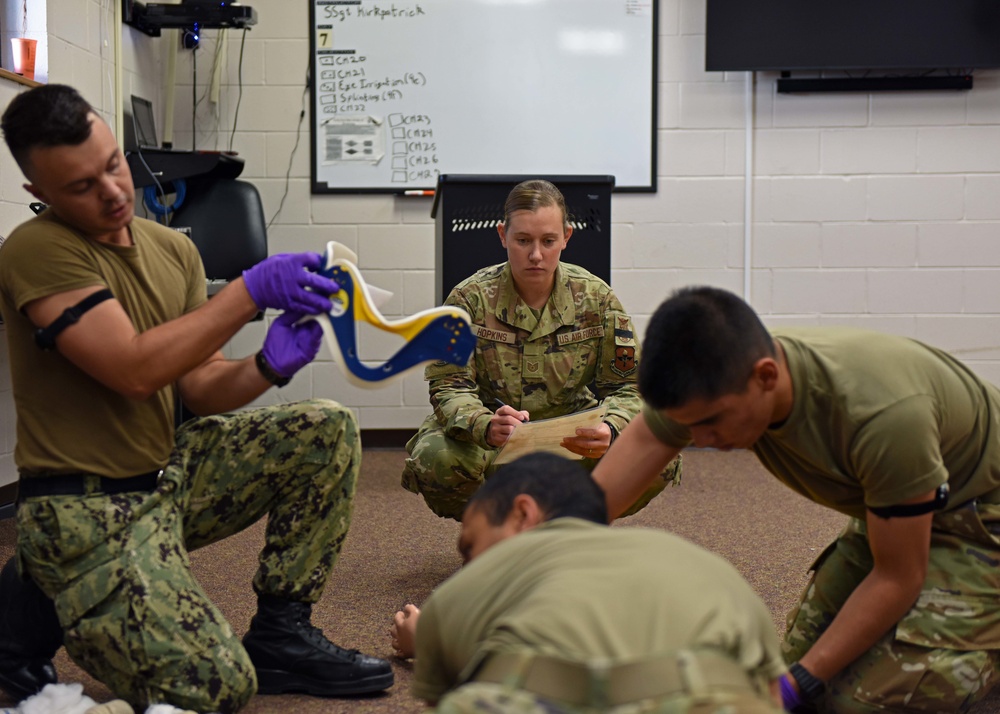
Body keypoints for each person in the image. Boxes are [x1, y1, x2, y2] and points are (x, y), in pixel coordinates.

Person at [0, 84, 393, 712]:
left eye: (113, 164)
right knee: (214, 686)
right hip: (86, 505)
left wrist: (266, 366)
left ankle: (281, 635)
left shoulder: (173, 249)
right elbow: (133, 370)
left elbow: (201, 388)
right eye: (81, 186)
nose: (113, 192)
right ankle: (44, 580)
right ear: (38, 192)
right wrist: (247, 293)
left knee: (325, 428)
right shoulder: (38, 249)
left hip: (164, 479)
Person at [593, 285, 1000, 713]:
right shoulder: (715, 385)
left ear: (766, 377)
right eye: (688, 426)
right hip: (898, 506)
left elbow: (898, 576)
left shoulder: (883, 417)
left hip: (983, 517)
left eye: (711, 423)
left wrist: (795, 686)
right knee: (790, 671)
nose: (701, 440)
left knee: (856, 703)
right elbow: (607, 487)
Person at [389, 452, 786, 713]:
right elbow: (771, 694)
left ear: (523, 514)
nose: (470, 564)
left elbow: (448, 696)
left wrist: (428, 639)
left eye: (471, 545)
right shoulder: (712, 569)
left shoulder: (465, 591)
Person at [401, 179, 681, 520]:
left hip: (572, 436)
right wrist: (483, 424)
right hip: (493, 437)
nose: (536, 255)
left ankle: (575, 525)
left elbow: (629, 387)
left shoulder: (597, 298)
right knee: (437, 457)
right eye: (523, 240)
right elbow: (449, 385)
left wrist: (611, 427)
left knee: (657, 452)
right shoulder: (468, 299)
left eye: (548, 241)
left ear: (566, 237)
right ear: (503, 235)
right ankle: (493, 530)